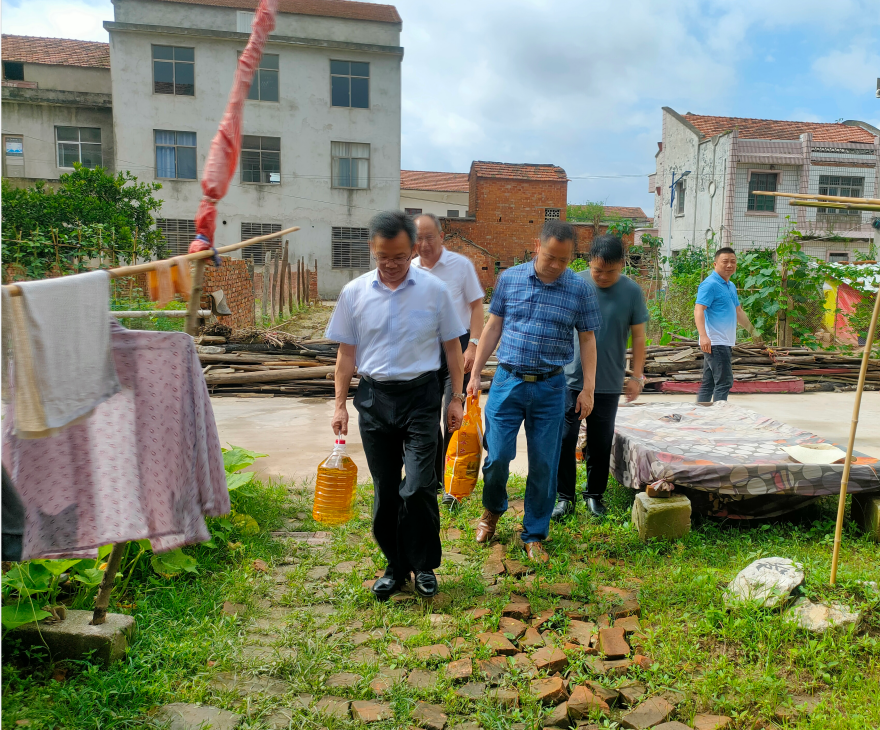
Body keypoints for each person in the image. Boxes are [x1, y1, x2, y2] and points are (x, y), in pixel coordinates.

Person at [326, 211, 466, 601]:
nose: (392, 265)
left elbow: (453, 348)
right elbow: (345, 354)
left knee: (419, 486)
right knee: (387, 491)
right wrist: (339, 406)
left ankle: (424, 567)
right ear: (373, 249)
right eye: (384, 257)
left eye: (401, 257)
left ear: (414, 250)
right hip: (374, 400)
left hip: (421, 398)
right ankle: (395, 566)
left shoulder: (435, 291)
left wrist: (456, 397)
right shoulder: (354, 293)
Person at [467, 220, 601, 563]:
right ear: (536, 246)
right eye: (550, 257)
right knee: (497, 457)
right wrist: (475, 374)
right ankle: (492, 513)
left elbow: (587, 339)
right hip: (507, 382)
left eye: (564, 260)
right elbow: (493, 325)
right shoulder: (510, 278)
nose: (556, 265)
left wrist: (588, 388)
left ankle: (535, 534)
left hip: (551, 387)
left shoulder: (579, 289)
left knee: (544, 463)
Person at [553, 234, 648, 520]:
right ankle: (564, 497)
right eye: (597, 270)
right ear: (588, 262)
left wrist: (638, 376)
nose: (603, 276)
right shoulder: (573, 283)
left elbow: (640, 336)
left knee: (600, 440)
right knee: (564, 438)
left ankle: (594, 495)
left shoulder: (632, 291)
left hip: (607, 380)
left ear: (622, 263)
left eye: (611, 271)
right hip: (570, 378)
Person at [411, 213, 485, 504]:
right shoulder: (411, 269)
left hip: (459, 346)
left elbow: (477, 308)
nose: (424, 244)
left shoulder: (460, 266)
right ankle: (434, 480)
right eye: (419, 238)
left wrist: (473, 347)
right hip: (425, 351)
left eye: (430, 237)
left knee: (451, 415)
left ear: (442, 236)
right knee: (427, 418)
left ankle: (453, 487)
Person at [694, 247, 761, 403]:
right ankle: (719, 419)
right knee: (724, 382)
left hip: (723, 341)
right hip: (715, 341)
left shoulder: (730, 285)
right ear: (715, 264)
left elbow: (738, 311)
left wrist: (753, 331)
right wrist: (703, 336)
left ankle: (700, 416)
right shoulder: (709, 284)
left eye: (733, 262)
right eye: (725, 262)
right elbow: (698, 309)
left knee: (709, 383)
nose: (730, 265)